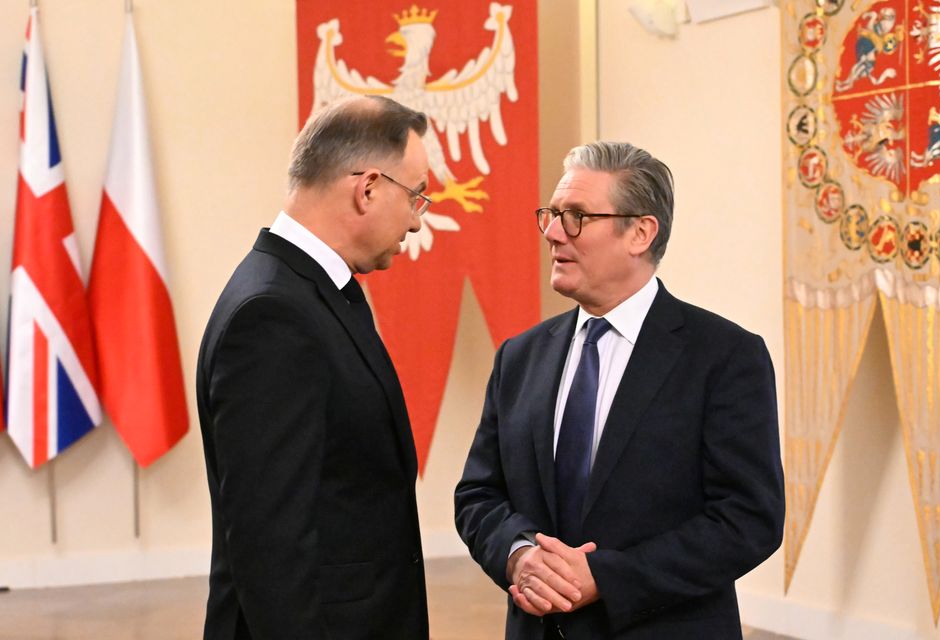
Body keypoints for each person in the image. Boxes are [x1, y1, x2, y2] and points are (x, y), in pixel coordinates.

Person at [454, 141, 784, 639]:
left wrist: (605, 578)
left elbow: (747, 519)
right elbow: (479, 494)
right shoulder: (519, 358)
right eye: (551, 214)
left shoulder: (724, 356)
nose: (550, 231)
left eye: (576, 217)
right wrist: (520, 556)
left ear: (640, 233)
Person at [196, 95, 431, 640]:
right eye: (416, 196)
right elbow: (271, 546)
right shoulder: (273, 314)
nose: (418, 221)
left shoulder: (315, 291)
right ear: (368, 188)